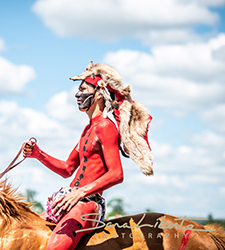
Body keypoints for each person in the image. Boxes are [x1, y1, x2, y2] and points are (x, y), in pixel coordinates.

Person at [23, 61, 153, 250]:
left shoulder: (105, 127)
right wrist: (38, 154)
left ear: (99, 94)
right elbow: (68, 169)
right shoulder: (88, 129)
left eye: (83, 89)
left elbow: (117, 174)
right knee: (24, 232)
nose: (78, 94)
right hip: (70, 199)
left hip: (88, 203)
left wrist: (80, 193)